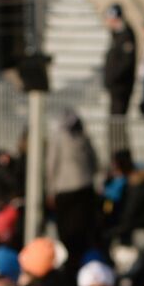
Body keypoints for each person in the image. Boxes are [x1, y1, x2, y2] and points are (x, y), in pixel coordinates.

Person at [45, 109, 99, 270]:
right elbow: (94, 163)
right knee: (77, 233)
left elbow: (51, 165)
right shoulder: (83, 137)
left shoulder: (60, 138)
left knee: (71, 233)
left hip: (69, 191)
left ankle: (73, 265)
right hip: (80, 190)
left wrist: (50, 190)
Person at [102, 3, 136, 155]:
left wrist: (113, 78)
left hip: (121, 88)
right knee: (114, 125)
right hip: (115, 88)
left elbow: (125, 64)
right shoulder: (116, 36)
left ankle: (120, 156)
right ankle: (116, 156)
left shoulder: (126, 35)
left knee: (118, 125)